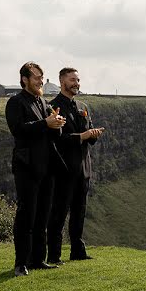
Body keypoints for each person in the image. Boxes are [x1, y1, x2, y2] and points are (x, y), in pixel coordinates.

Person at [5, 62, 66, 276]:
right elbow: (18, 130)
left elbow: (50, 133)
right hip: (27, 166)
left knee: (43, 215)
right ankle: (21, 262)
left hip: (47, 166)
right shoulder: (15, 102)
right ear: (24, 79)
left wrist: (57, 124)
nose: (41, 80)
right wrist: (46, 123)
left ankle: (38, 259)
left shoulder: (42, 101)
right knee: (26, 215)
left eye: (42, 77)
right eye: (37, 77)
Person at [47, 67, 104, 265]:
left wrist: (92, 134)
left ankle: (77, 252)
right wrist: (82, 136)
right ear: (62, 82)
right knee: (58, 214)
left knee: (79, 212)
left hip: (83, 169)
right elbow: (56, 139)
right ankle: (53, 255)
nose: (76, 83)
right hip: (63, 170)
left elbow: (87, 133)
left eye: (78, 80)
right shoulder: (52, 107)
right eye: (72, 80)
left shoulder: (82, 105)